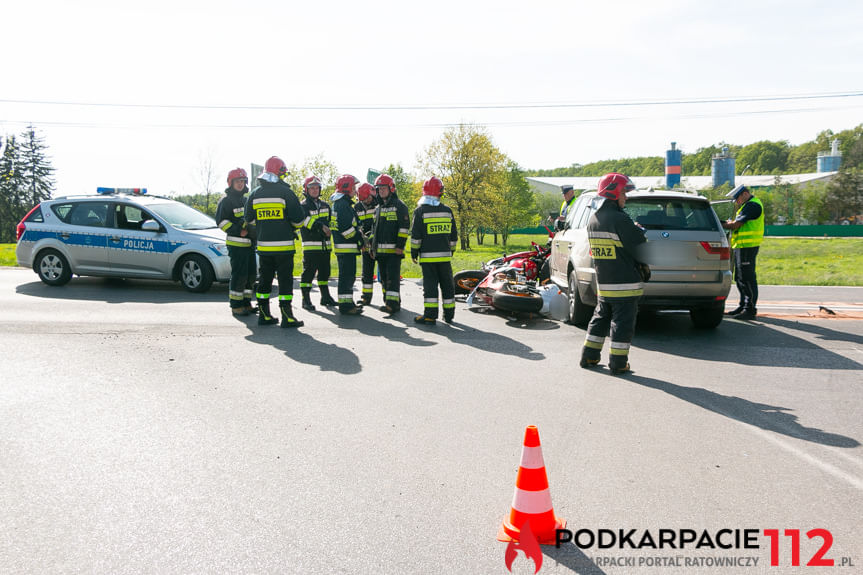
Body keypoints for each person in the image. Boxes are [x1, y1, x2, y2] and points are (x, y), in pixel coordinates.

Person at [579, 173, 646, 374]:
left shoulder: (594, 219)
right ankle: (618, 363)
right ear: (615, 192)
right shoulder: (620, 219)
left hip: (605, 283)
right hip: (625, 283)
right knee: (622, 324)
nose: (626, 196)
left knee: (600, 318)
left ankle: (589, 356)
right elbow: (639, 247)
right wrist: (639, 231)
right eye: (624, 192)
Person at [244, 156, 306, 328]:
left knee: (264, 281)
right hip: (284, 248)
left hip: (264, 248)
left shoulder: (254, 194)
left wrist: (266, 225)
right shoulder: (286, 192)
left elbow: (249, 219)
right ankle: (287, 316)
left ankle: (264, 315)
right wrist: (285, 224)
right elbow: (299, 220)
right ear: (280, 173)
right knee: (285, 282)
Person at [410, 177, 458, 324]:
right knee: (447, 286)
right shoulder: (447, 211)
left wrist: (414, 252)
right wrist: (451, 251)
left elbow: (416, 237)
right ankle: (449, 315)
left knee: (430, 288)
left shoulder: (420, 212)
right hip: (444, 258)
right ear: (440, 192)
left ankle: (430, 315)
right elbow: (453, 236)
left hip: (427, 259)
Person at [216, 167, 256, 317]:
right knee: (239, 276)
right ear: (230, 183)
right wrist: (238, 230)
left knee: (251, 275)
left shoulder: (246, 200)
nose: (240, 184)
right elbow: (221, 222)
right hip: (236, 245)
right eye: (237, 181)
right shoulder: (226, 201)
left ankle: (246, 302)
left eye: (242, 181)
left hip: (249, 245)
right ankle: (236, 305)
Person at [721, 184, 764, 320]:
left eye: (737, 198)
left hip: (748, 246)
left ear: (745, 194)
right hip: (741, 246)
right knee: (740, 277)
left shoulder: (752, 205)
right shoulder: (747, 206)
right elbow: (736, 223)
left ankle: (750, 309)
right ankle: (742, 306)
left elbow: (735, 225)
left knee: (747, 278)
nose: (736, 202)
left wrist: (718, 223)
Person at [371, 174, 410, 313]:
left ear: (391, 188)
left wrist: (400, 246)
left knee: (392, 280)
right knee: (383, 279)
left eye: (383, 188)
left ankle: (392, 305)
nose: (381, 191)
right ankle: (390, 301)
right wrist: (372, 247)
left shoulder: (400, 206)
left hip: (394, 252)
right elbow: (374, 230)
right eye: (379, 188)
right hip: (380, 252)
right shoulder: (377, 208)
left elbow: (404, 228)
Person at [298, 175, 336, 310]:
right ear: (306, 190)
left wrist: (331, 229)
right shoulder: (302, 206)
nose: (314, 190)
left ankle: (325, 297)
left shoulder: (325, 205)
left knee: (325, 273)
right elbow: (304, 221)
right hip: (311, 247)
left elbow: (331, 222)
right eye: (311, 188)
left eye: (316, 188)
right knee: (308, 274)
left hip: (325, 247)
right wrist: (321, 227)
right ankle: (305, 299)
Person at [331, 174, 365, 315]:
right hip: (346, 248)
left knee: (348, 277)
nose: (355, 190)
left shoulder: (341, 204)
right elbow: (346, 230)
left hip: (345, 249)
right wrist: (359, 237)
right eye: (353, 187)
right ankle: (346, 307)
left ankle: (348, 303)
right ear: (346, 188)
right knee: (347, 277)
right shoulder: (343, 205)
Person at [354, 182, 378, 306]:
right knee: (366, 273)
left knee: (385, 275)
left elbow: (378, 226)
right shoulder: (357, 207)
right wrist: (361, 242)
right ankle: (366, 297)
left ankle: (389, 300)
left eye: (368, 198)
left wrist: (372, 241)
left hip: (378, 244)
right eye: (363, 199)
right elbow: (356, 226)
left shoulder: (379, 204)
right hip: (365, 245)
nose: (367, 201)